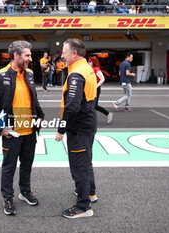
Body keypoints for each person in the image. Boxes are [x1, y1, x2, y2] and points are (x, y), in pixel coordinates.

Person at [0, 40, 44, 215]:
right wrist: (0, 129)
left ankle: (25, 191)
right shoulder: (0, 75)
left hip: (29, 130)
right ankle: (8, 197)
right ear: (16, 55)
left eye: (30, 55)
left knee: (27, 164)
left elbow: (33, 98)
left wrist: (40, 115)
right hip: (11, 133)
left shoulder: (30, 74)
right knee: (9, 166)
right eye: (27, 55)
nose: (30, 58)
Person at [55, 38, 97, 219]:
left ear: (74, 53)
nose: (61, 55)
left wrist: (61, 129)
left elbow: (72, 107)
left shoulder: (77, 73)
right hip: (88, 122)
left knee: (79, 165)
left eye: (64, 52)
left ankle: (83, 206)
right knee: (86, 160)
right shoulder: (87, 68)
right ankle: (91, 193)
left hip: (79, 127)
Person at [88, 56, 113, 123]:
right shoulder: (91, 69)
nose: (88, 62)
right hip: (91, 88)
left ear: (93, 62)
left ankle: (107, 114)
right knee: (90, 105)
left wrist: (96, 86)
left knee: (94, 105)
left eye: (90, 61)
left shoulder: (96, 69)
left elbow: (102, 79)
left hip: (96, 89)